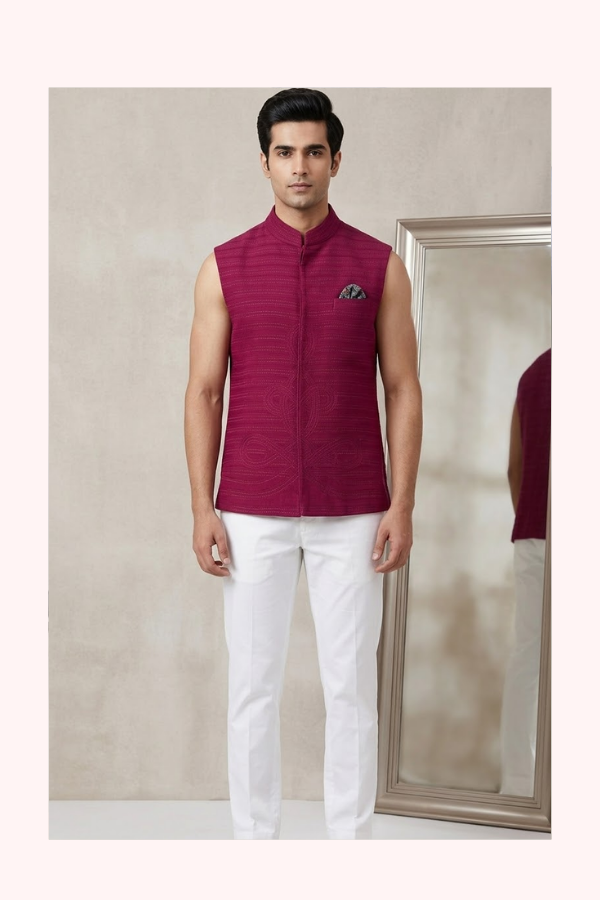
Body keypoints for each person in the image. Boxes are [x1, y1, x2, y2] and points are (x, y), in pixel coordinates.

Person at [184, 88, 422, 839]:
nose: (299, 167)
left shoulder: (377, 266)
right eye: (284, 152)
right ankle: (256, 848)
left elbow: (403, 388)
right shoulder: (224, 266)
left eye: (313, 152)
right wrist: (201, 507)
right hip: (248, 509)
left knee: (350, 687)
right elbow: (203, 391)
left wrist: (402, 504)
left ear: (335, 160)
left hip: (355, 509)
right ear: (264, 162)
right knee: (252, 688)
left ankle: (349, 849)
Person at [499, 347, 551, 796]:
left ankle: (518, 782)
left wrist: (532, 516)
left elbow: (514, 468)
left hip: (534, 534)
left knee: (528, 657)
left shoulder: (533, 375)